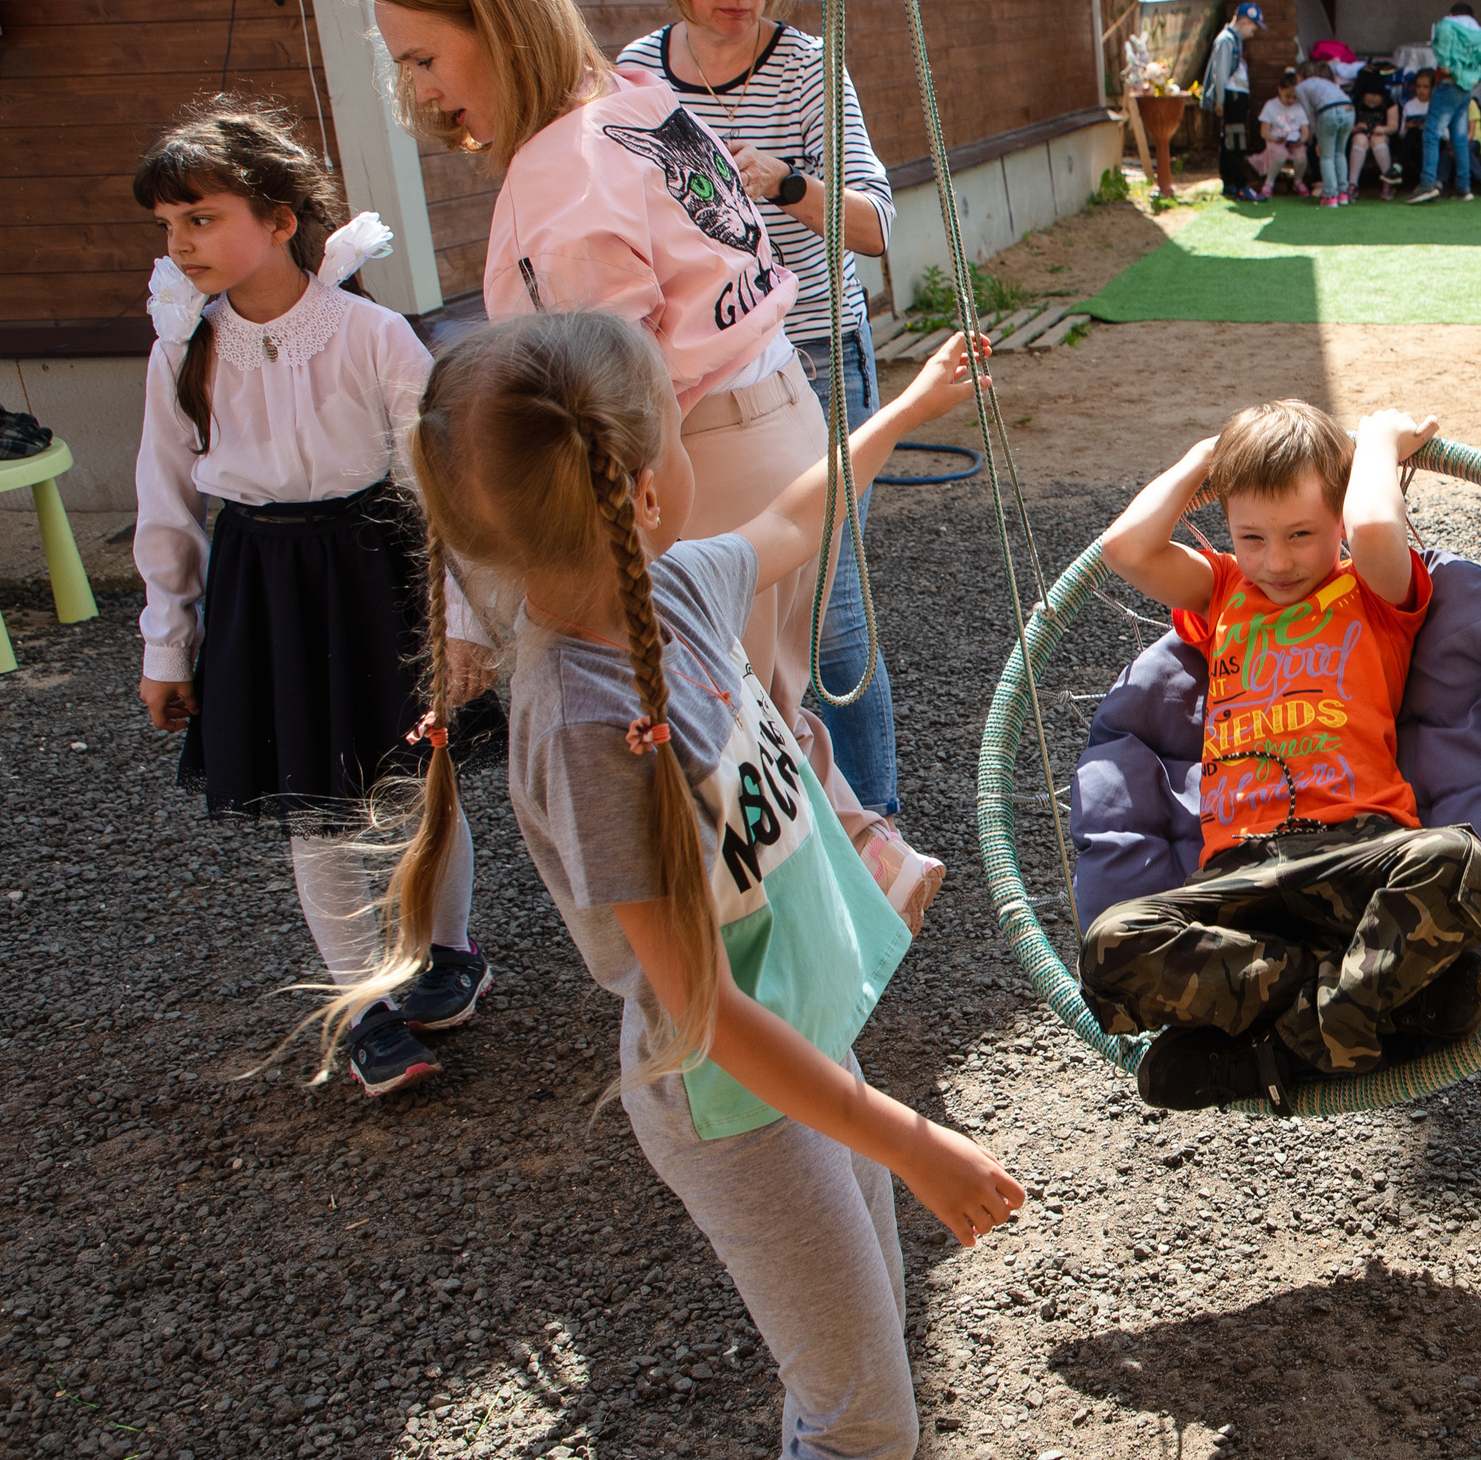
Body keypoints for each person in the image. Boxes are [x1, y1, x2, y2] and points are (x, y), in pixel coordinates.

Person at [359, 310, 1020, 1456]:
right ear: (646, 486)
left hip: (805, 1048)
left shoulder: (671, 593)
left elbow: (787, 519)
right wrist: (909, 1138)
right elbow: (702, 1009)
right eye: (679, 414)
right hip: (733, 1105)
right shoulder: (585, 721)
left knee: (859, 1364)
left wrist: (906, 410)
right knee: (862, 1415)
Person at [357, 0, 939, 911]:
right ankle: (858, 865)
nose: (417, 89)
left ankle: (789, 954)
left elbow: (605, 400)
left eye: (422, 56)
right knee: (760, 695)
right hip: (780, 417)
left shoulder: (563, 186)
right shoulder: (636, 99)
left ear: (494, 27)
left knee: (713, 734)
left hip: (696, 458)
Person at [132, 98, 488, 1099]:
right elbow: (166, 497)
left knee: (422, 777)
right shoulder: (182, 350)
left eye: (200, 217)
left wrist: (463, 618)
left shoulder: (372, 334)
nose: (181, 242)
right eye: (169, 225)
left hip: (379, 568)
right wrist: (169, 641)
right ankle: (362, 999)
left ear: (281, 217)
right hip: (266, 585)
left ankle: (443, 954)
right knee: (317, 801)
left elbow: (443, 482)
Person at [608, 0, 927, 898]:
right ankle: (769, 849)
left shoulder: (803, 67)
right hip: (691, 386)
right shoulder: (634, 75)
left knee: (827, 615)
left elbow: (881, 227)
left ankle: (873, 842)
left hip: (814, 359)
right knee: (723, 617)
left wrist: (784, 181)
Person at [1080, 400, 1481, 1113]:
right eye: (1251, 536)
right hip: (1239, 884)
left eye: (1303, 534)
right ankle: (1347, 1012)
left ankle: (1271, 1050)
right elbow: (1125, 548)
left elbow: (1374, 527)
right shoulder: (1222, 593)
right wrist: (1203, 461)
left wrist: (1374, 441)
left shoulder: (1372, 590)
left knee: (1459, 863)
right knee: (1113, 945)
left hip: (1358, 862)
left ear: (1337, 519)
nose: (1276, 560)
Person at [1407, 2, 1481, 203]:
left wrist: (1444, 64)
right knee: (1459, 140)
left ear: (1451, 14)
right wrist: (1480, 77)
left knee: (1431, 134)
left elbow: (1442, 40)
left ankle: (1427, 184)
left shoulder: (1447, 23)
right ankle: (1463, 187)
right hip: (1465, 90)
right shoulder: (1480, 33)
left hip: (1447, 86)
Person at [1206, 2, 1265, 200]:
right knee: (1235, 141)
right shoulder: (1226, 40)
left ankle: (1230, 182)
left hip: (1237, 95)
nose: (1254, 31)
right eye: (1253, 26)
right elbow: (1221, 74)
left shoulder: (1234, 41)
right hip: (1232, 96)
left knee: (1231, 139)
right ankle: (1239, 185)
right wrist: (1221, 102)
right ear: (1243, 21)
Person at [1293, 65, 1355, 205]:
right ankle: (1343, 194)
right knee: (1340, 153)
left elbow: (1309, 113)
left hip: (1328, 112)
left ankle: (1330, 195)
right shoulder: (1326, 83)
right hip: (1349, 109)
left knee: (1326, 156)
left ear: (1300, 76)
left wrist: (1318, 139)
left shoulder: (1300, 87)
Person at [1248, 69, 1310, 198]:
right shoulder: (1271, 105)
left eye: (1294, 97)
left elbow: (1305, 130)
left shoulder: (1300, 107)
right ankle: (1269, 182)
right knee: (1280, 153)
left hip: (1293, 141)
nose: (1291, 100)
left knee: (1301, 156)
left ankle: (1298, 181)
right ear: (1280, 89)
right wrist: (1274, 139)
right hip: (1275, 140)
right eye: (1288, 96)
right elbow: (1264, 131)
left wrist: (1301, 140)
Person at [1346, 61, 1401, 194]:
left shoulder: (1389, 103)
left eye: (1376, 98)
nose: (1372, 102)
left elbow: (1394, 126)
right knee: (1359, 139)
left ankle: (1388, 181)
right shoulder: (1355, 103)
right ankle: (1353, 183)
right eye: (1368, 98)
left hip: (1382, 135)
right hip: (1360, 135)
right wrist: (1356, 127)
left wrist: (1383, 129)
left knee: (1378, 140)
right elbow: (1346, 126)